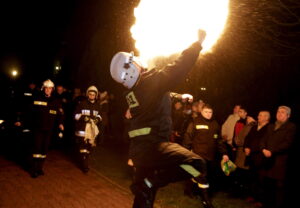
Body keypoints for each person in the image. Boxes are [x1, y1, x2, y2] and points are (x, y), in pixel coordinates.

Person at [110, 29, 214, 208]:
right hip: (155, 146)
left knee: (144, 199)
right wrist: (197, 44)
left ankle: (148, 184)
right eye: (133, 62)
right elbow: (179, 67)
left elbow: (155, 96)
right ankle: (152, 180)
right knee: (196, 165)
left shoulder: (133, 92)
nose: (138, 62)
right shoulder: (151, 83)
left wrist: (177, 96)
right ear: (131, 71)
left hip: (141, 152)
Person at [183, 104, 229, 195]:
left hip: (210, 155)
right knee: (200, 175)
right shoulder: (195, 122)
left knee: (203, 175)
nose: (208, 114)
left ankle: (191, 190)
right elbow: (188, 137)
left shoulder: (215, 124)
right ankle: (204, 198)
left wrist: (224, 153)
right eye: (206, 112)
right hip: (198, 154)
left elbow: (219, 140)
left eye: (210, 112)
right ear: (201, 112)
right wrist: (186, 152)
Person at [260, 106, 296, 208]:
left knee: (278, 190)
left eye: (283, 112)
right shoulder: (271, 126)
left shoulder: (291, 127)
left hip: (279, 163)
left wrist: (272, 151)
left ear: (288, 116)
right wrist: (263, 149)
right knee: (267, 187)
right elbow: (263, 139)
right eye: (278, 111)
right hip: (267, 162)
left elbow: (287, 143)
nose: (279, 114)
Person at [30, 79, 64, 178]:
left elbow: (60, 114)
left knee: (44, 149)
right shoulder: (37, 98)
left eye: (50, 88)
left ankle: (40, 168)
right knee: (37, 148)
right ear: (43, 88)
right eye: (46, 88)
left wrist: (61, 123)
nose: (48, 90)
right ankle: (34, 169)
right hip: (38, 129)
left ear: (52, 89)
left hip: (49, 130)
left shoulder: (56, 101)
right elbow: (31, 113)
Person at [244, 111, 270, 207]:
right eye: (259, 115)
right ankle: (252, 196)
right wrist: (246, 147)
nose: (258, 117)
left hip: (261, 157)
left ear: (267, 118)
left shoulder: (269, 128)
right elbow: (247, 138)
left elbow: (264, 142)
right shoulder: (254, 127)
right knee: (252, 177)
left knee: (261, 179)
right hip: (252, 156)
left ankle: (261, 199)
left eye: (261, 115)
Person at [74, 86, 102, 173]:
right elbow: (75, 115)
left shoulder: (98, 105)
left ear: (96, 96)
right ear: (87, 95)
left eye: (93, 95)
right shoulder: (82, 103)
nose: (92, 96)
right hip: (82, 130)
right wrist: (84, 118)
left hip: (92, 130)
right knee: (83, 148)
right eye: (90, 94)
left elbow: (100, 116)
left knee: (89, 148)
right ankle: (84, 166)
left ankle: (85, 162)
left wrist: (97, 119)